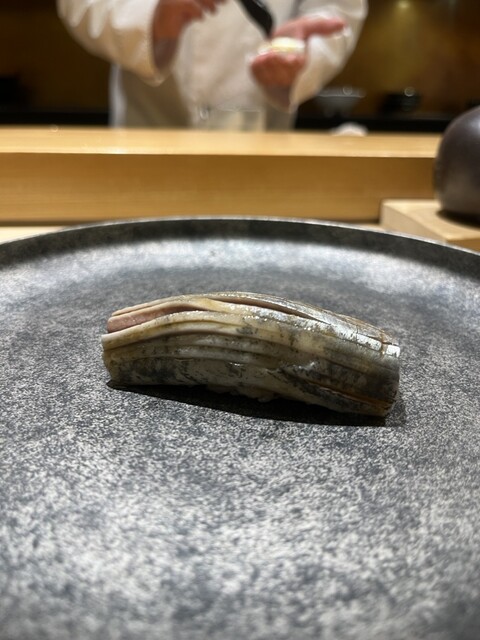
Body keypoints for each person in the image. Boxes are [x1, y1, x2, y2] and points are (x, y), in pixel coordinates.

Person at [57, 0, 367, 129]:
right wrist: (148, 17)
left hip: (263, 146)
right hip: (147, 136)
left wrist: (305, 54)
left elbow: (337, 8)